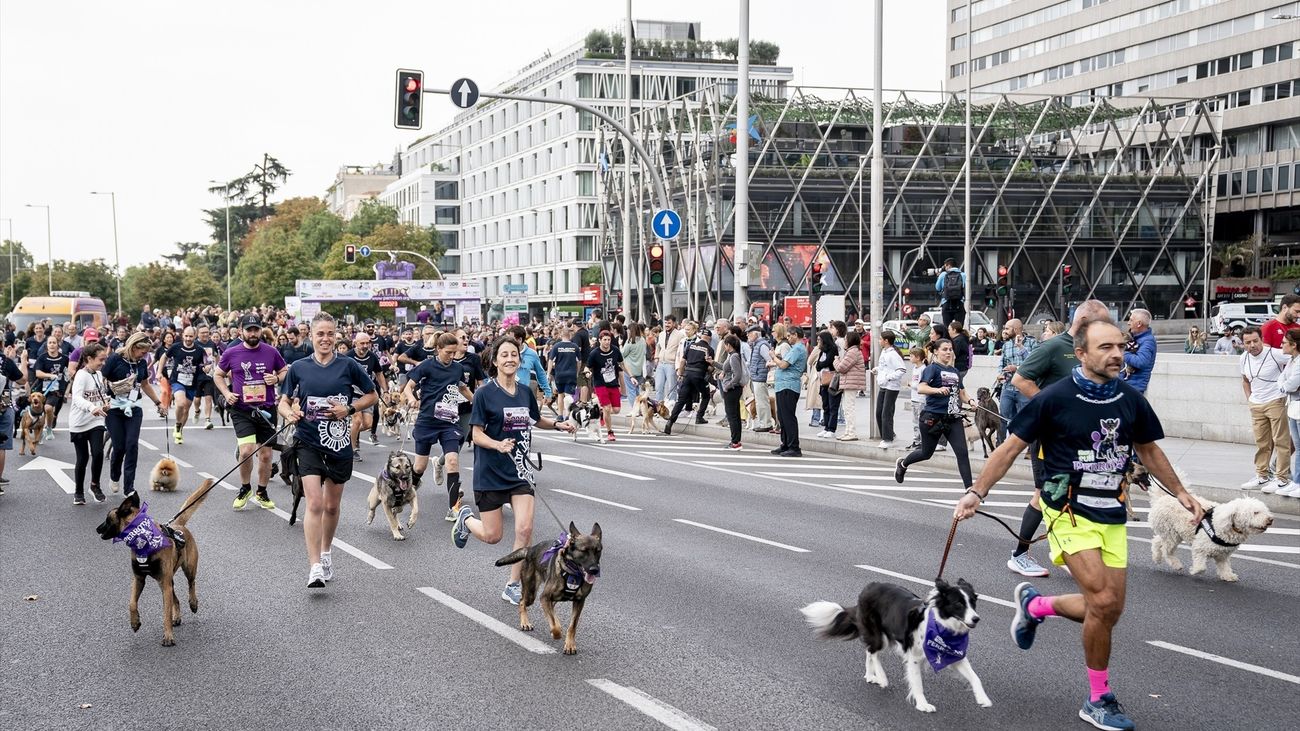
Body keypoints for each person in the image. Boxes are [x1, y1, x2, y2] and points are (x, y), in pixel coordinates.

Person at [954, 319, 1202, 731]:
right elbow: (1010, 448)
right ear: (1082, 353)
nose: (1117, 354)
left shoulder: (1129, 397)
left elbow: (1148, 449)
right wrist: (976, 492)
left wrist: (1179, 492)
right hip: (1065, 509)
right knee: (1102, 603)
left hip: (1111, 511)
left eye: (1121, 346)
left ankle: (1036, 606)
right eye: (1106, 347)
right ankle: (1098, 698)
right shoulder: (1054, 398)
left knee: (1110, 610)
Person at [450, 336, 576, 605]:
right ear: (495, 361)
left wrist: (557, 425)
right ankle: (466, 519)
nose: (510, 359)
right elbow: (477, 434)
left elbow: (534, 419)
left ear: (520, 360)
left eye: (514, 354)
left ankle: (513, 584)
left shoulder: (524, 391)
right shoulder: (485, 393)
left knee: (525, 529)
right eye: (504, 355)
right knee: (492, 536)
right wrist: (497, 444)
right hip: (490, 473)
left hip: (520, 471)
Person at [1005, 301, 1113, 578]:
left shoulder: (1091, 349)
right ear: (1085, 321)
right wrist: (1054, 408)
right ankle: (1019, 554)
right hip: (1051, 436)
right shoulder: (1054, 347)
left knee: (1076, 492)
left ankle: (1071, 550)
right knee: (1044, 495)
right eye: (1102, 322)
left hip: (1083, 437)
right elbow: (1020, 380)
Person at [279, 312, 378, 589]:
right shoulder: (298, 367)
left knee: (332, 506)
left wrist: (349, 408)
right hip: (308, 441)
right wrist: (289, 414)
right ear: (311, 336)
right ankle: (314, 567)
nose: (325, 338)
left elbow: (372, 395)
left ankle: (326, 553)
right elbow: (283, 402)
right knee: (315, 503)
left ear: (336, 336)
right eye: (320, 334)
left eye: (330, 334)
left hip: (338, 443)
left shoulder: (348, 366)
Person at [215, 314, 288, 511]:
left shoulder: (271, 352)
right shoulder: (232, 352)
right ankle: (245, 487)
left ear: (260, 330)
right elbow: (218, 374)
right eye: (249, 329)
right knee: (247, 451)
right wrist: (226, 392)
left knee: (265, 455)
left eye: (256, 329)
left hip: (267, 409)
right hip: (242, 410)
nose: (253, 333)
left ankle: (262, 492)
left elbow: (284, 371)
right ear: (241, 331)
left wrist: (276, 379)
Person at [402, 331, 472, 515]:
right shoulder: (426, 366)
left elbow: (463, 388)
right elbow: (408, 387)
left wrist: (479, 403)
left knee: (452, 460)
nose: (452, 356)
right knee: (419, 467)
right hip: (427, 421)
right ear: (438, 349)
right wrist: (410, 398)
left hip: (449, 422)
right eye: (448, 352)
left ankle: (453, 508)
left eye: (454, 352)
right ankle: (406, 495)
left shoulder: (457, 368)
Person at [894, 339, 975, 488]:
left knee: (962, 453)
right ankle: (903, 464)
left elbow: (962, 393)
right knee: (926, 453)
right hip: (932, 418)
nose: (949, 352)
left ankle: (969, 489)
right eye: (945, 349)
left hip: (952, 418)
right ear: (936, 351)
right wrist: (937, 390)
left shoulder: (955, 371)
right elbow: (921, 388)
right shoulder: (932, 369)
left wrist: (970, 401)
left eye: (950, 349)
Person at [102, 333, 164, 497]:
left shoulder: (141, 363)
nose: (144, 355)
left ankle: (129, 487)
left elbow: (145, 384)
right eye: (142, 352)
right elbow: (101, 378)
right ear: (133, 346)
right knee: (119, 446)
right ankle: (115, 476)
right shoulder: (115, 359)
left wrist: (158, 403)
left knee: (132, 445)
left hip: (134, 408)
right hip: (114, 408)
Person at [1238, 326, 1291, 491]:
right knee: (1262, 443)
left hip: (1275, 401)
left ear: (1261, 339)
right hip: (1256, 404)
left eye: (1255, 341)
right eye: (1248, 342)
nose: (1252, 345)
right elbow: (1245, 380)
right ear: (1243, 343)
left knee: (1281, 441)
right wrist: (1250, 401)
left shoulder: (1274, 353)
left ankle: (1281, 478)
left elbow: (1295, 360)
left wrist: (1286, 383)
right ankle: (1262, 475)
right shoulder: (1243, 358)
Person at [68, 342, 110, 505]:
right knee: (83, 458)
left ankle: (95, 485)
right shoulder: (81, 375)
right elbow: (77, 398)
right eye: (101, 359)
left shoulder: (98, 374)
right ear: (89, 359)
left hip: (96, 420)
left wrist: (106, 403)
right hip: (79, 422)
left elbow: (101, 393)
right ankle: (78, 491)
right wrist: (92, 407)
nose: (103, 363)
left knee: (98, 453)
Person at [157, 326, 206, 445]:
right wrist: (159, 371)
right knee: (180, 403)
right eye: (186, 336)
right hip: (177, 380)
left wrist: (207, 367)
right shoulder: (176, 347)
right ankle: (178, 424)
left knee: (186, 408)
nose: (188, 339)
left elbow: (206, 362)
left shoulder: (199, 350)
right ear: (183, 335)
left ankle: (179, 430)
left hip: (192, 383)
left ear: (195, 336)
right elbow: (164, 357)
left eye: (191, 336)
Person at [663, 321, 712, 435]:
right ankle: (699, 417)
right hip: (698, 376)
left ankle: (670, 422)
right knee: (706, 395)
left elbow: (683, 361)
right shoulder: (709, 349)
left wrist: (680, 374)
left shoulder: (691, 346)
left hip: (687, 375)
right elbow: (709, 366)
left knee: (681, 400)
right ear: (709, 338)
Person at [586, 329, 635, 442]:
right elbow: (587, 367)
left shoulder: (615, 350)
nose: (607, 342)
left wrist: (631, 376)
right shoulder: (594, 353)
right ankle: (610, 432)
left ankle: (602, 412)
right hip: (600, 384)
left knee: (616, 410)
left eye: (609, 340)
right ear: (600, 340)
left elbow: (622, 364)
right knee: (608, 408)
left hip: (613, 383)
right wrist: (588, 373)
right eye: (605, 340)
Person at [348, 333, 387, 462]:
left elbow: (379, 374)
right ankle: (352, 450)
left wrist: (385, 391)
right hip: (352, 392)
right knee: (357, 420)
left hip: (367, 393)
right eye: (362, 343)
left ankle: (347, 436)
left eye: (367, 343)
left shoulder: (372, 357)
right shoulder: (348, 356)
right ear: (355, 343)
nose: (365, 346)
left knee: (367, 424)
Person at [997, 319, 1037, 444]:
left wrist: (1016, 367)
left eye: (1007, 328)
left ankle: (1030, 449)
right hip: (1008, 387)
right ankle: (1000, 445)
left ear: (1015, 329)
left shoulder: (1032, 343)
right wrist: (1000, 374)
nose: (1005, 331)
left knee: (1027, 418)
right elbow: (1002, 363)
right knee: (1003, 418)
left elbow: (1035, 362)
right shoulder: (1006, 345)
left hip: (1025, 389)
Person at [772, 327, 807, 457]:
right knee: (782, 416)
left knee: (788, 417)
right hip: (783, 385)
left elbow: (783, 365)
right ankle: (785, 444)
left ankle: (794, 446)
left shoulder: (798, 348)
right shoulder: (795, 348)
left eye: (789, 335)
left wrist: (773, 357)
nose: (788, 338)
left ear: (795, 335)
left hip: (789, 385)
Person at [0, 343, 28, 495]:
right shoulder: (6, 361)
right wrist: (23, 360)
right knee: (1, 445)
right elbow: (23, 380)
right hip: (3, 403)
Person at [34, 336, 71, 441]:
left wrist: (68, 386)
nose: (52, 345)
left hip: (56, 390)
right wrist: (50, 375)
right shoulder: (42, 357)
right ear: (47, 345)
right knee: (39, 412)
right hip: (42, 389)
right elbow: (38, 373)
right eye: (50, 343)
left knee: (48, 408)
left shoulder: (64, 359)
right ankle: (39, 431)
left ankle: (49, 428)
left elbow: (67, 374)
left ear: (57, 345)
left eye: (54, 343)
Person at [872, 331, 906, 447]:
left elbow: (901, 369)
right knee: (879, 412)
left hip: (891, 386)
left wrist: (888, 377)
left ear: (886, 341)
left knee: (886, 412)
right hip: (883, 385)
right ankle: (888, 435)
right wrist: (878, 370)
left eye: (880, 339)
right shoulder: (884, 352)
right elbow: (885, 367)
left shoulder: (893, 354)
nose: (879, 340)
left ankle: (888, 439)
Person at [833, 331, 866, 441]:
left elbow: (841, 368)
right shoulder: (853, 351)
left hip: (851, 383)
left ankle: (851, 432)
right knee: (847, 408)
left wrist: (836, 361)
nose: (845, 341)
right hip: (849, 382)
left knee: (849, 408)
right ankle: (848, 431)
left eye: (846, 339)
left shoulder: (853, 352)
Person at [718, 334, 747, 450]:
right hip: (733, 388)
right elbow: (726, 368)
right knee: (735, 415)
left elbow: (738, 374)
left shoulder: (734, 356)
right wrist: (713, 363)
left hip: (732, 389)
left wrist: (728, 386)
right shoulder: (732, 355)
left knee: (732, 416)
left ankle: (735, 441)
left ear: (728, 345)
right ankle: (736, 441)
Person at [746, 325, 775, 432]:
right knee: (760, 401)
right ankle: (764, 423)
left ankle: (766, 424)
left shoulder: (762, 345)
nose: (747, 335)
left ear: (756, 334)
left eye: (749, 333)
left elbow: (770, 360)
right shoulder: (757, 345)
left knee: (762, 402)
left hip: (760, 376)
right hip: (757, 376)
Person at [547, 324, 580, 414]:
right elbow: (579, 361)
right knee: (568, 395)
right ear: (570, 335)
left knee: (560, 395)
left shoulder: (556, 346)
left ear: (561, 335)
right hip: (571, 374)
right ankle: (568, 415)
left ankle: (560, 415)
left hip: (559, 374)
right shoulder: (575, 347)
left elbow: (550, 360)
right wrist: (577, 372)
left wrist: (548, 373)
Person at [813, 331, 841, 438]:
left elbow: (827, 362)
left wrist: (820, 364)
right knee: (825, 405)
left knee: (833, 405)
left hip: (832, 380)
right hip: (823, 381)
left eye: (820, 339)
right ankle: (826, 427)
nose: (818, 341)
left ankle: (832, 428)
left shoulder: (833, 349)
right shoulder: (821, 351)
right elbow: (818, 366)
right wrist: (820, 364)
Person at [1121, 309, 1156, 394]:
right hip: (1127, 386)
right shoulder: (1134, 338)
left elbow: (1141, 361)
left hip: (1133, 389)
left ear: (1139, 324)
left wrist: (1121, 353)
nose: (1128, 323)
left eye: (1131, 320)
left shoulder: (1148, 341)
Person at [905, 345, 928, 449]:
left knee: (921, 421)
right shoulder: (915, 368)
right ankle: (916, 440)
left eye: (911, 356)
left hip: (921, 399)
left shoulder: (923, 369)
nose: (910, 358)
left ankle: (923, 441)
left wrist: (911, 384)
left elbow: (921, 384)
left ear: (918, 357)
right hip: (914, 398)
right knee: (915, 421)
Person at [935, 257, 966, 327]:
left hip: (946, 303)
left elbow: (937, 288)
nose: (945, 268)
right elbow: (966, 289)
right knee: (959, 328)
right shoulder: (963, 275)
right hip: (959, 303)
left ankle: (948, 337)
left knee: (947, 328)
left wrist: (939, 276)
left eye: (945, 266)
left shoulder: (943, 275)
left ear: (948, 265)